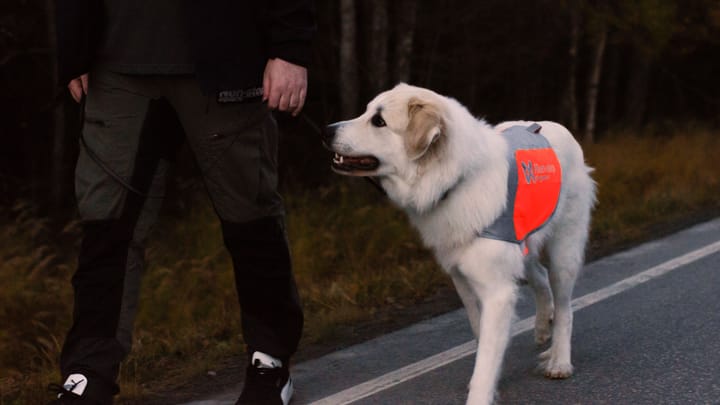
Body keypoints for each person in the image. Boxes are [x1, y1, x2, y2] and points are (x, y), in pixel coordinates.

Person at [49, 1, 315, 404]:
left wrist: (290, 49)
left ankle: (270, 360)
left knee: (251, 218)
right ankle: (88, 373)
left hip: (226, 59)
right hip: (115, 66)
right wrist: (73, 48)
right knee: (106, 225)